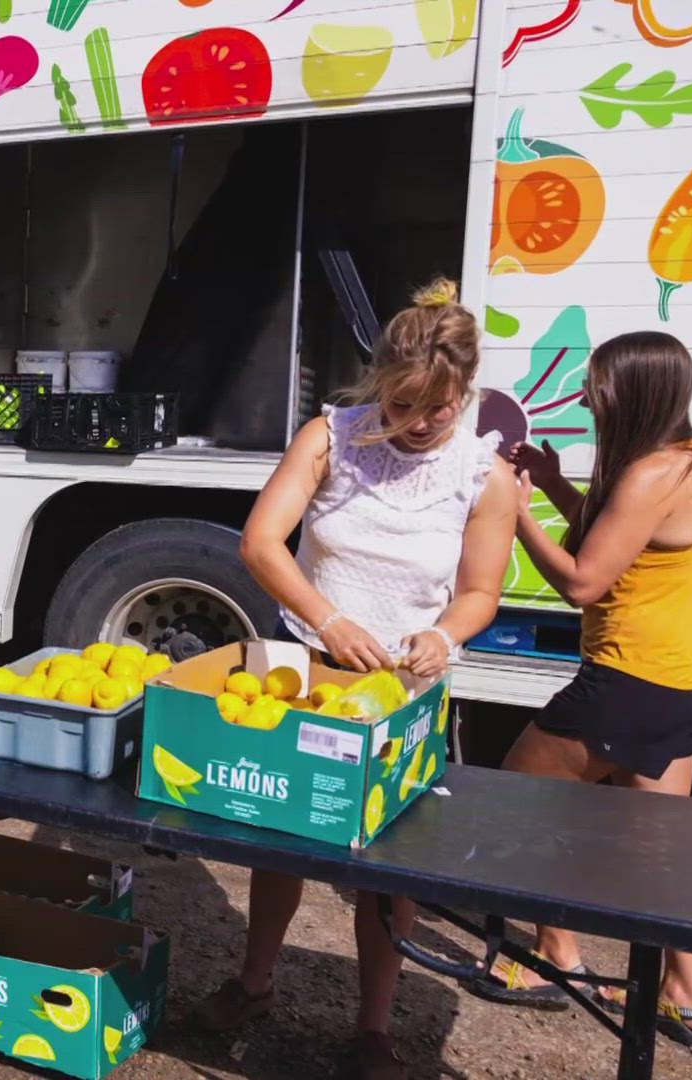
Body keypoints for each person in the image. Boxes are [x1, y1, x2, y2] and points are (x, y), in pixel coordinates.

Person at [191, 279, 518, 1080]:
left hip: (404, 692)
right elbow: (262, 544)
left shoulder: (484, 474)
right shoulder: (332, 437)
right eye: (402, 405)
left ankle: (374, 1027)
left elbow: (481, 592)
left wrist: (444, 635)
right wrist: (330, 620)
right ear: (381, 382)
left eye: (435, 409)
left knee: (386, 858)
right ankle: (255, 979)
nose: (415, 424)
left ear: (463, 393)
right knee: (281, 841)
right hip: (302, 664)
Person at [476, 331, 692, 1048]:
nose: (586, 397)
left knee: (527, 805)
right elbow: (617, 535)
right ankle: (688, 996)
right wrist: (551, 486)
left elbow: (585, 580)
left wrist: (515, 513)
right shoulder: (689, 457)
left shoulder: (648, 474)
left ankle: (556, 957)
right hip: (687, 677)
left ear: (637, 391)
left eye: (598, 387)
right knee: (657, 843)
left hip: (629, 684)